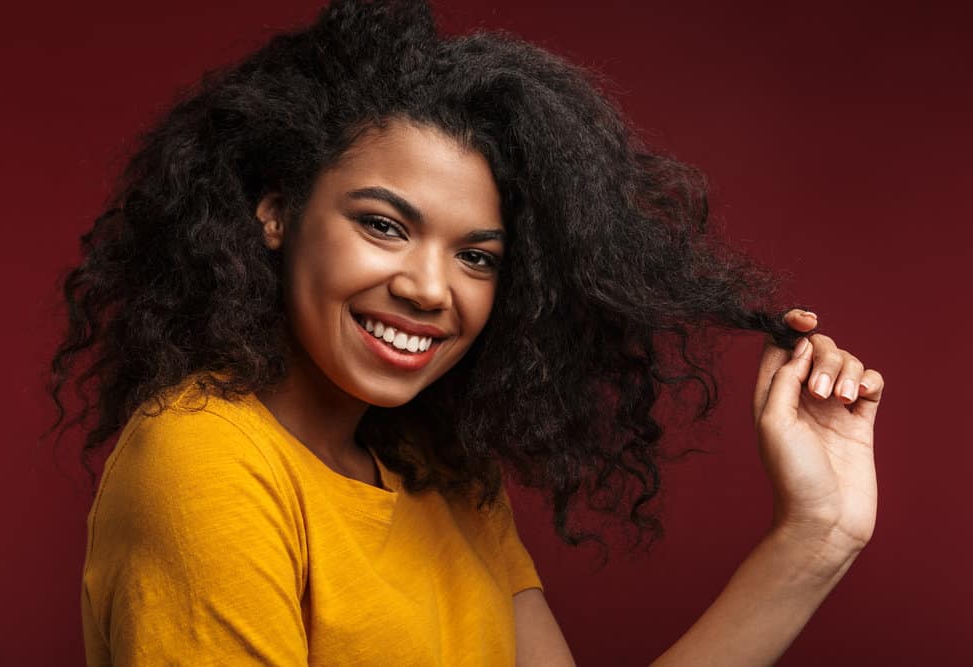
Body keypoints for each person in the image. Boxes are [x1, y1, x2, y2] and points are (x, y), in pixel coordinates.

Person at [47, 0, 884, 664]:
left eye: (478, 258)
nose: (428, 288)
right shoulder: (203, 461)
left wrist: (817, 535)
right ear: (276, 211)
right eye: (382, 225)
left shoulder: (444, 474)